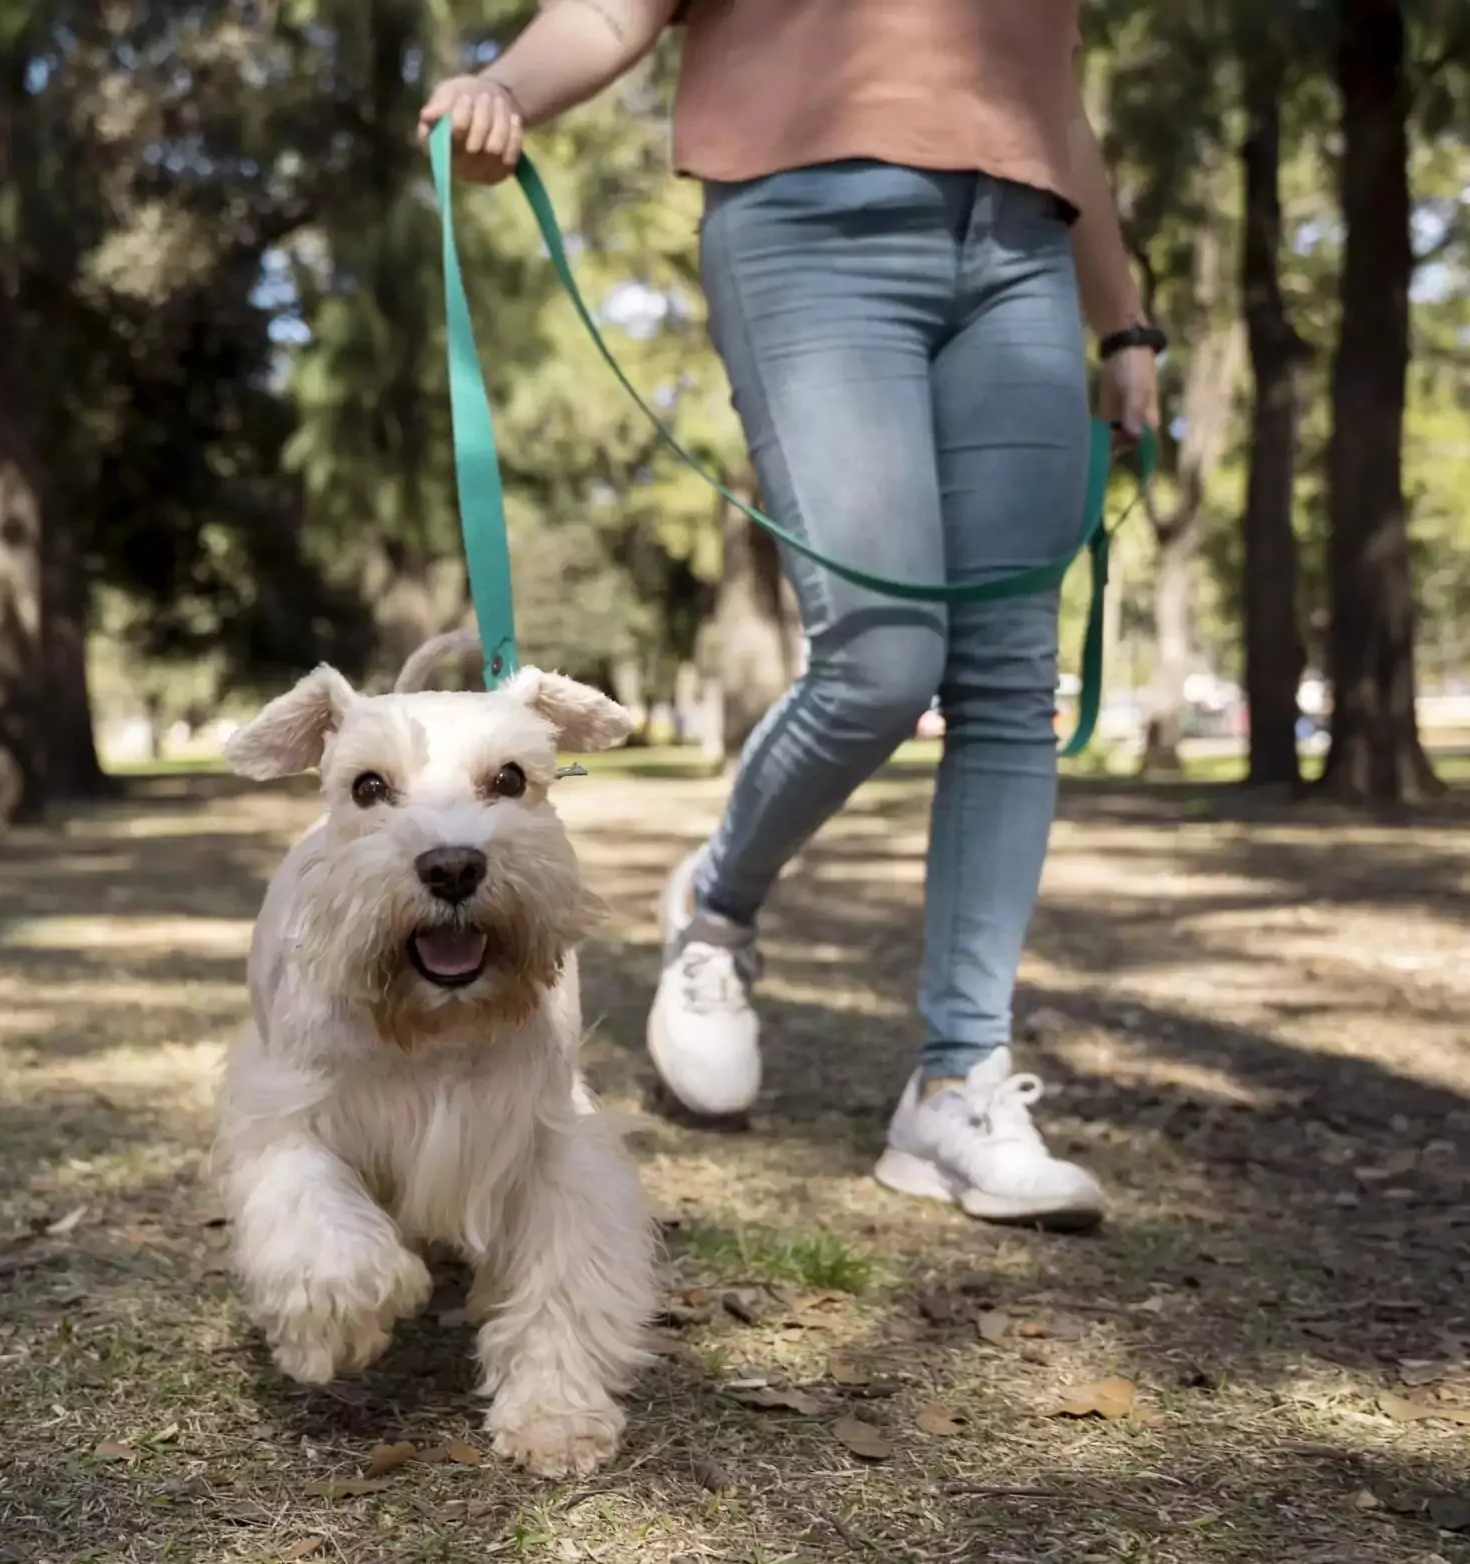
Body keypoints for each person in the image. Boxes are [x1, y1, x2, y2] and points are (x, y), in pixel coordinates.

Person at [420, 0, 1161, 1231]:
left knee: (1007, 675)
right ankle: (717, 905)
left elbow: (1053, 97)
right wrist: (504, 87)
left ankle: (958, 1081)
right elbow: (614, 11)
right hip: (811, 226)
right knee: (882, 654)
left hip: (1025, 248)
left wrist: (1123, 319)